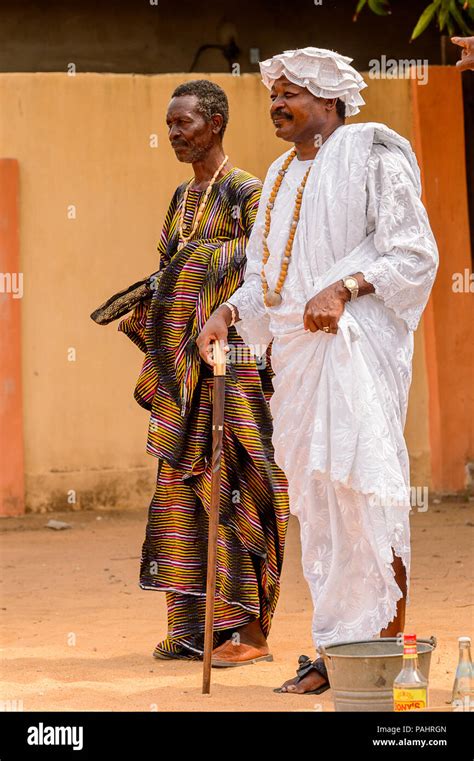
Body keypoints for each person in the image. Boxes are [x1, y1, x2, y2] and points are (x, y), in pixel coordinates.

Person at [197, 48, 439, 693]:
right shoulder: (276, 174)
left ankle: (384, 652)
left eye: (291, 95)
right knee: (323, 506)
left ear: (328, 101)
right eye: (273, 96)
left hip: (354, 349)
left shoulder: (371, 150)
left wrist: (347, 286)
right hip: (300, 362)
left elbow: (413, 253)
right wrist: (225, 312)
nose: (276, 105)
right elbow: (265, 281)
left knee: (368, 492)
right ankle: (337, 651)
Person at [117, 80, 289, 665]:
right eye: (168, 125)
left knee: (233, 480)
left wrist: (196, 268)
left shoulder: (249, 190)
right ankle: (192, 627)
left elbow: (265, 265)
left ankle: (245, 631)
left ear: (214, 122)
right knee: (179, 490)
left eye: (182, 123)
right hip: (181, 372)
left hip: (232, 365)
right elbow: (167, 269)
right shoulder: (179, 198)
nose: (172, 134)